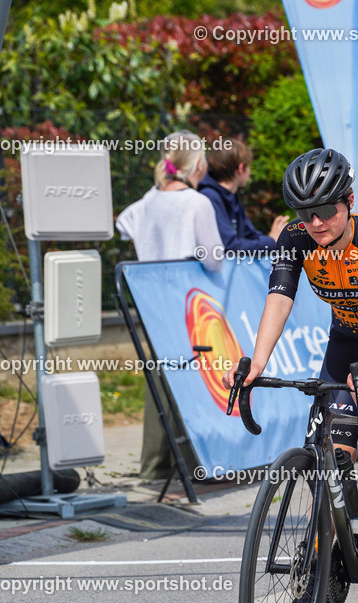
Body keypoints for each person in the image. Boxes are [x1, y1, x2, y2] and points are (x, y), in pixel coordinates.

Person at [223, 148, 358, 603]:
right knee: (330, 454)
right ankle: (329, 564)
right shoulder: (295, 239)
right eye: (305, 212)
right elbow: (279, 296)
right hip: (345, 336)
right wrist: (256, 363)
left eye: (325, 210)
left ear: (349, 201)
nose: (315, 222)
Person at [116, 130, 222, 481]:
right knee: (194, 378)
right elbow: (214, 259)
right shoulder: (196, 203)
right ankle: (196, 462)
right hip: (188, 301)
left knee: (159, 378)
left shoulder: (149, 200)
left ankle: (153, 466)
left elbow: (123, 223)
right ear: (198, 164)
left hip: (151, 301)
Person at [198, 138, 289, 255]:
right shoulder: (210, 197)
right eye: (249, 167)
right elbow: (230, 246)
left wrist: (275, 240)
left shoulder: (230, 197)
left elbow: (249, 236)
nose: (250, 172)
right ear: (240, 169)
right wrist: (271, 241)